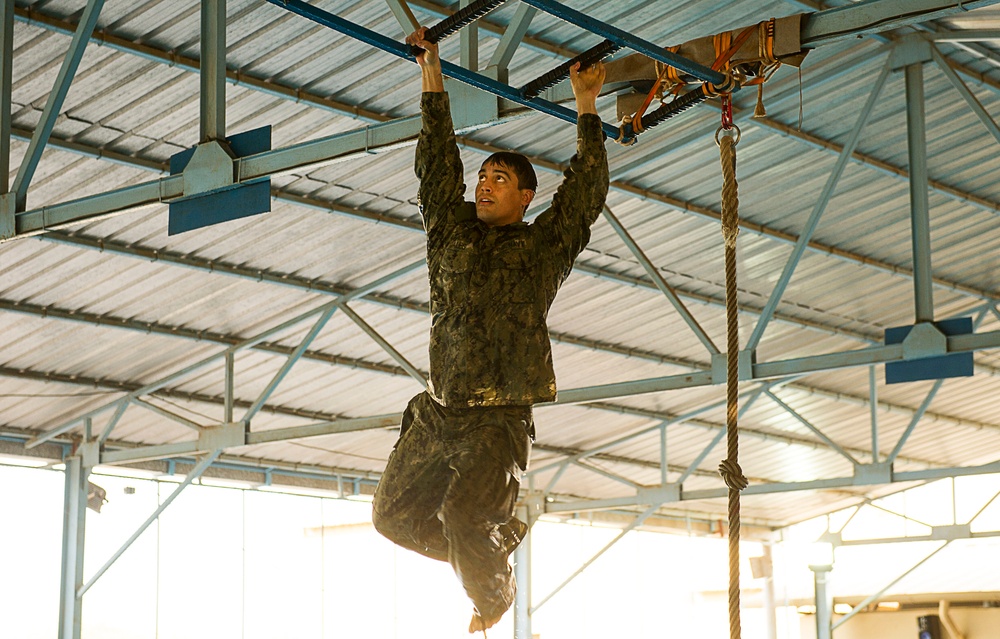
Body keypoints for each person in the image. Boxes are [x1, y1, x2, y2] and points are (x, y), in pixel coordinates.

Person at [372, 26, 609, 634]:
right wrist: (431, 72)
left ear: (527, 196)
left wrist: (587, 108)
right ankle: (491, 541)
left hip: (497, 417)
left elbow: (585, 193)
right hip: (439, 409)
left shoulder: (542, 248)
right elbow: (435, 162)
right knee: (394, 519)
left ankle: (492, 600)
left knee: (461, 516)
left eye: (499, 179)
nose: (483, 185)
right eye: (482, 177)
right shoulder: (447, 235)